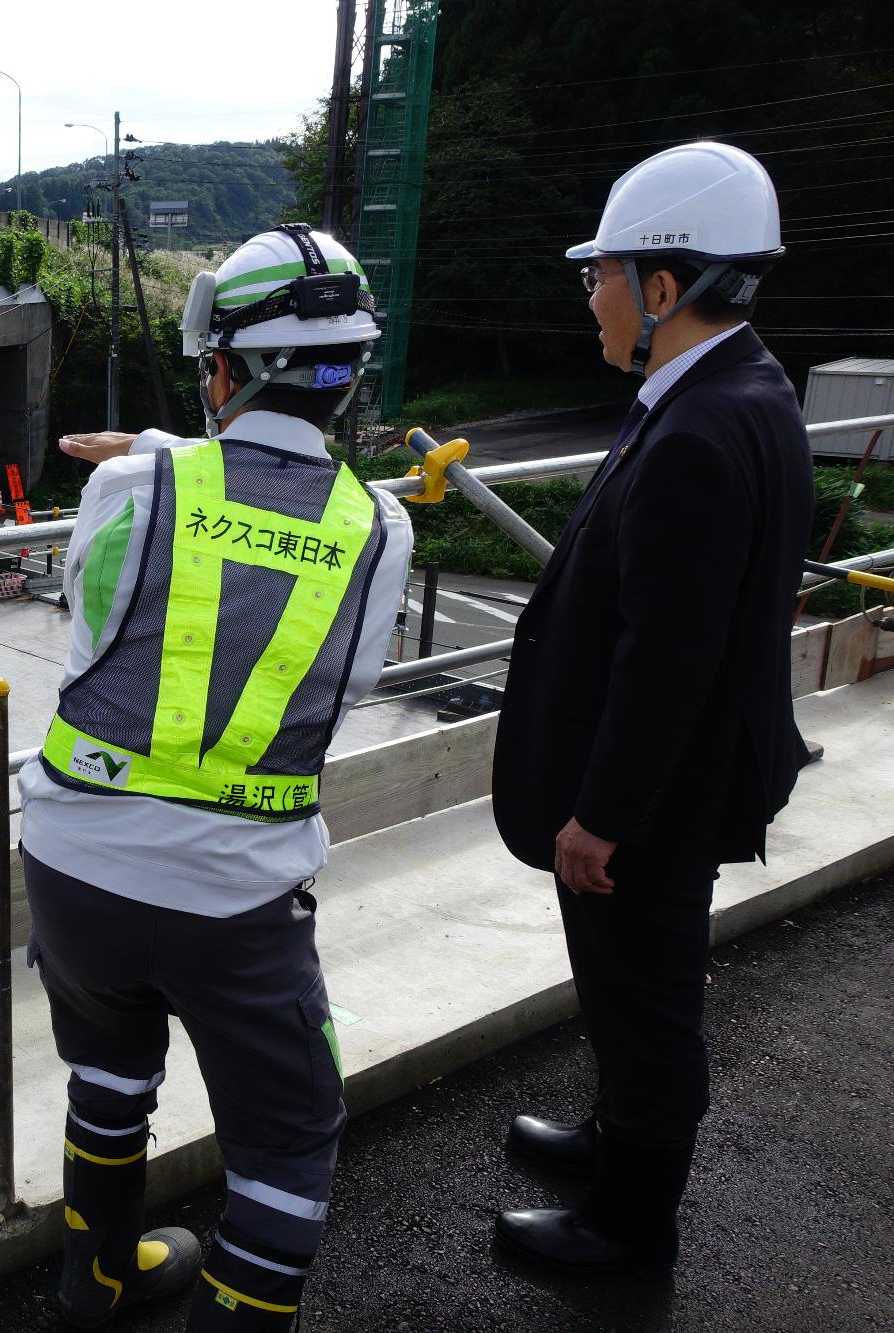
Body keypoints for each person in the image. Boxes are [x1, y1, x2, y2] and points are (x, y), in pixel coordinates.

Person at [20, 223, 413, 1328]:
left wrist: (154, 452)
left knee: (107, 1069)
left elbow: (89, 627)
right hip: (237, 896)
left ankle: (92, 1276)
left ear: (227, 370)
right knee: (287, 1138)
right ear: (343, 377)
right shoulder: (377, 530)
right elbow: (351, 687)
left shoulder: (131, 489)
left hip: (74, 858)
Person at [490, 141, 813, 1272]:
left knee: (649, 1000)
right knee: (627, 990)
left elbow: (665, 655)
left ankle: (629, 1227)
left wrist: (602, 815)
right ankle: (611, 1140)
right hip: (682, 777)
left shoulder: (693, 431)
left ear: (663, 289)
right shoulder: (740, 387)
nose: (589, 296)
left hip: (651, 802)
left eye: (602, 274)